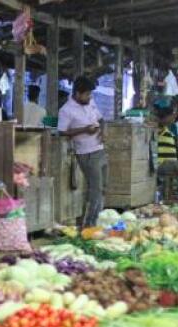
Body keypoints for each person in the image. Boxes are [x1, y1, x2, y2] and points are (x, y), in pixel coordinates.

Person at [57, 76, 106, 227]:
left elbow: (101, 119)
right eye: (87, 94)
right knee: (95, 189)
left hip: (100, 150)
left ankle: (98, 219)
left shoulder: (90, 102)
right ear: (77, 94)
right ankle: (89, 223)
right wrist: (85, 129)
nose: (90, 97)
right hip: (86, 153)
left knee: (102, 187)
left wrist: (103, 131)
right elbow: (62, 132)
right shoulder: (66, 111)